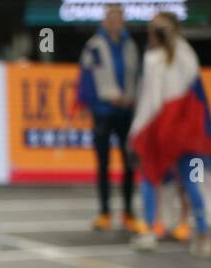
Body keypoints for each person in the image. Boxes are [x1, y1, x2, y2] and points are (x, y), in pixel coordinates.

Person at [128, 12, 211, 258]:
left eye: (156, 30)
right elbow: (151, 101)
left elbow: (152, 102)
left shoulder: (174, 57)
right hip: (176, 134)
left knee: (168, 179)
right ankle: (192, 234)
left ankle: (167, 231)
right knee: (175, 181)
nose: (153, 34)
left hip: (173, 135)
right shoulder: (171, 56)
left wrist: (135, 133)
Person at [77, 3, 140, 232]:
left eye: (118, 18)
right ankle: (104, 212)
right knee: (103, 164)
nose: (114, 22)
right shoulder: (94, 45)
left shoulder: (130, 45)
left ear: (122, 20)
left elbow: (137, 77)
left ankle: (128, 212)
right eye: (110, 18)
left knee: (129, 162)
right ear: (105, 20)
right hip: (103, 112)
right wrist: (99, 102)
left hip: (126, 112)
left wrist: (132, 99)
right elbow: (86, 79)